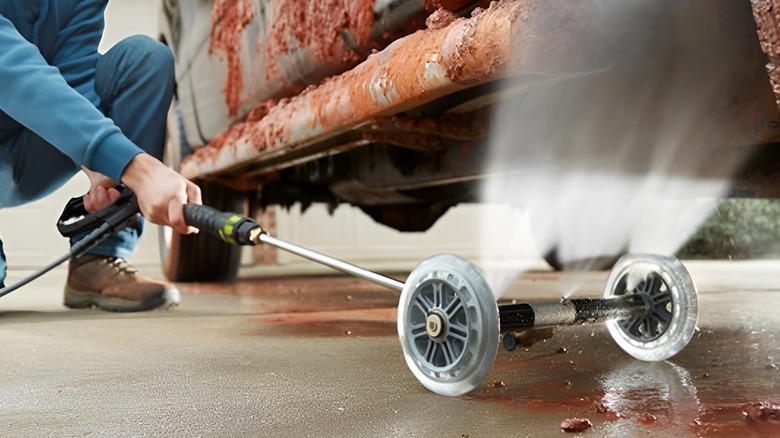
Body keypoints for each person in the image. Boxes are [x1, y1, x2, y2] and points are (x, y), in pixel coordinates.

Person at [0, 1, 202, 311]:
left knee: (145, 60)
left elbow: (75, 79)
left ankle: (99, 257)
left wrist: (102, 172)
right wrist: (137, 167)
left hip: (26, 151)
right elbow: (11, 69)